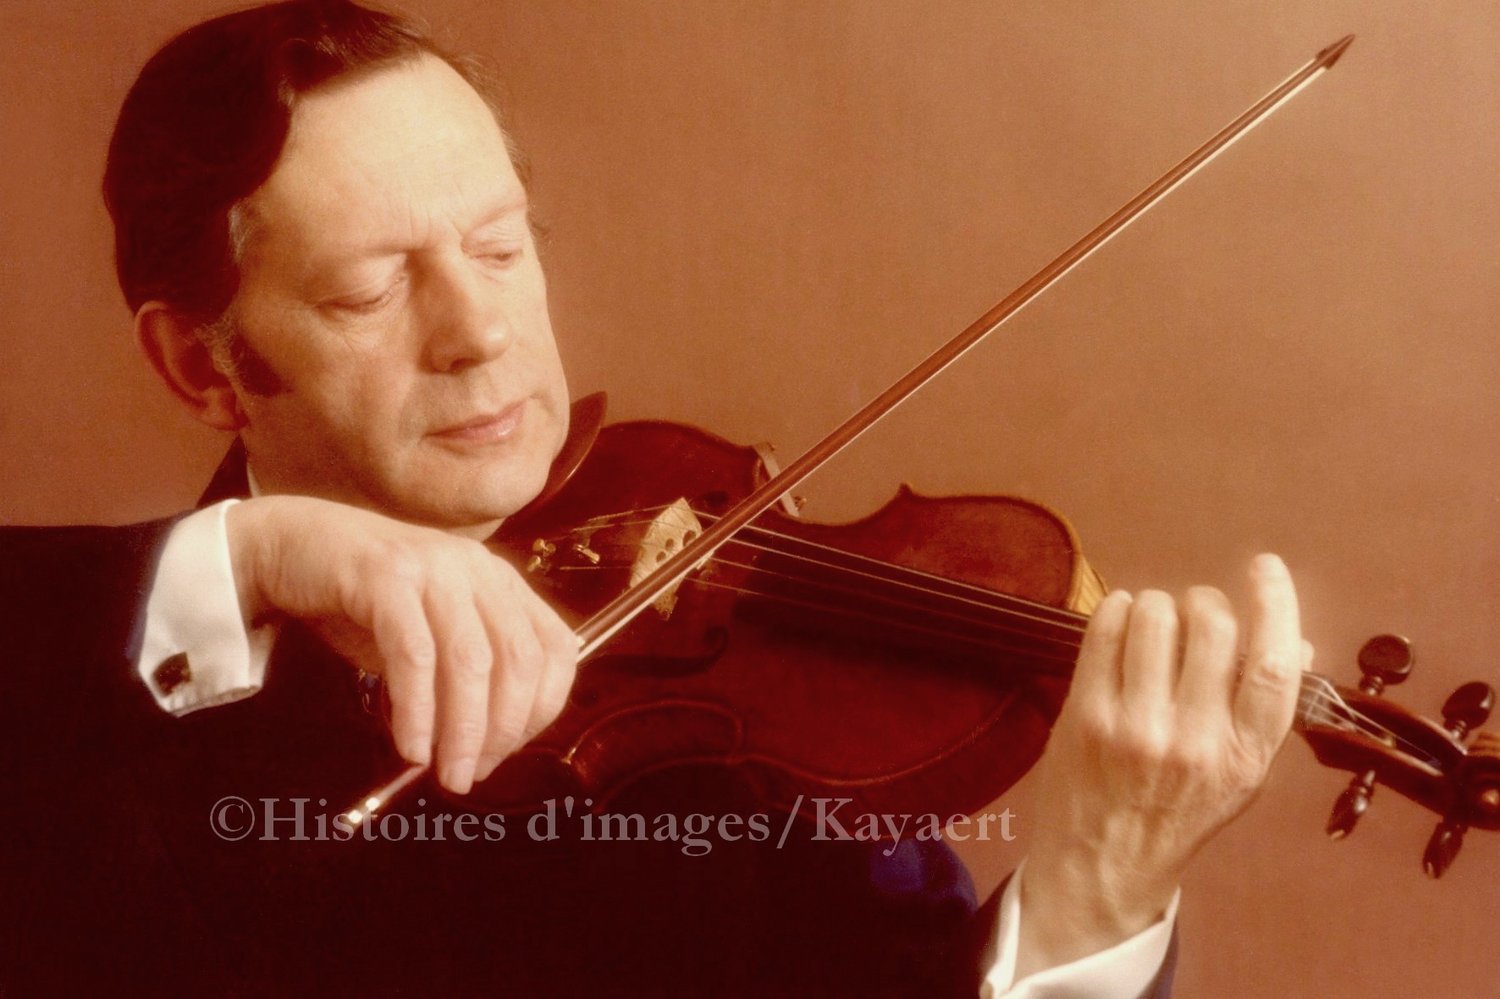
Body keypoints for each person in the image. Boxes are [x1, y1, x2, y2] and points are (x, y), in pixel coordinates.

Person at [0, 1, 1308, 994]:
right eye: (367, 291)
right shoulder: (72, 710)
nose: (480, 332)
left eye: (501, 246)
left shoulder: (738, 760)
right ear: (204, 367)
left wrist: (1088, 903)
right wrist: (259, 557)